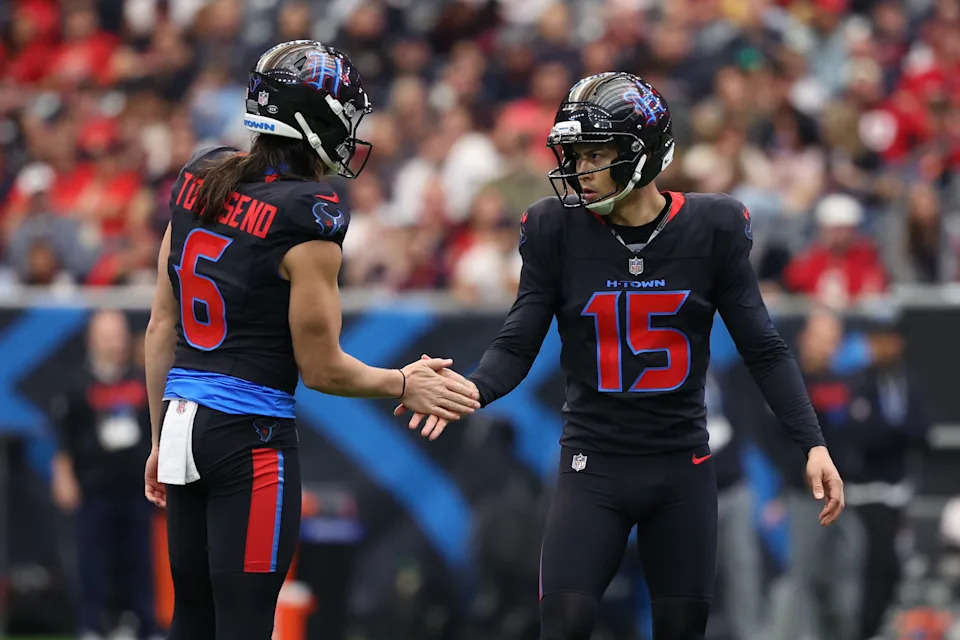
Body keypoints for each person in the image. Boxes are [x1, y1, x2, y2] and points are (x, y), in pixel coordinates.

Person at [396, 72, 845, 640]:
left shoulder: (713, 227)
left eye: (596, 152)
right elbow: (518, 340)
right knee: (564, 621)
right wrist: (471, 390)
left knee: (681, 628)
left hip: (681, 465)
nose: (579, 167)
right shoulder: (555, 228)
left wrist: (812, 441)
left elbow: (764, 347)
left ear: (642, 155)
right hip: (593, 463)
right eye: (575, 152)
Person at [142, 40, 480, 640]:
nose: (349, 132)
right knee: (246, 624)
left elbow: (161, 326)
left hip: (182, 424)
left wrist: (159, 436)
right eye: (341, 116)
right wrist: (403, 382)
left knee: (192, 620)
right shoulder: (309, 210)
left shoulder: (201, 177)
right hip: (250, 438)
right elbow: (322, 370)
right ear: (311, 122)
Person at [50, 309, 159, 640]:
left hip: (136, 488)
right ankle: (91, 625)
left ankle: (145, 624)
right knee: (92, 560)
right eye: (107, 335)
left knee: (141, 560)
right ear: (92, 340)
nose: (114, 343)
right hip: (94, 488)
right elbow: (63, 440)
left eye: (118, 335)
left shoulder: (142, 381)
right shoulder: (76, 385)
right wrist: (64, 477)